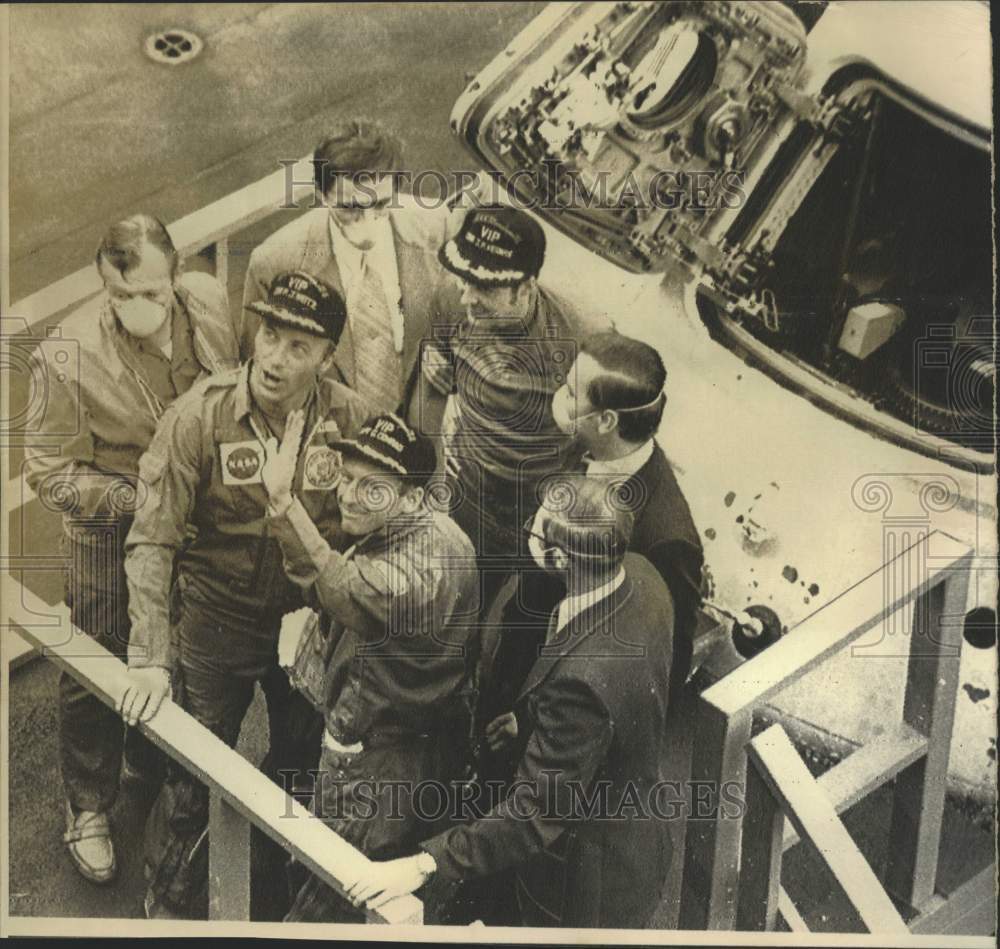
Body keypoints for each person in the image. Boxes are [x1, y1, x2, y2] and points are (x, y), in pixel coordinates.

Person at [118, 270, 367, 918]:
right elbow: (151, 537)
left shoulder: (351, 423)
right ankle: (169, 895)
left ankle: (276, 880)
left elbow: (374, 527)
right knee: (197, 765)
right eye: (270, 335)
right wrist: (148, 649)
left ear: (327, 358)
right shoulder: (199, 415)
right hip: (215, 616)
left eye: (299, 347)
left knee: (299, 758)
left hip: (305, 621)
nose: (275, 358)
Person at [342, 475, 677, 928]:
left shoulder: (582, 684)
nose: (526, 529)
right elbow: (620, 695)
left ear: (558, 559)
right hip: (639, 819)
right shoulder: (643, 576)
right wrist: (535, 716)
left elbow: (535, 811)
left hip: (583, 881)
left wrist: (421, 864)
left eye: (536, 528)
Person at [23, 213, 238, 886]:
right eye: (118, 296)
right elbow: (49, 470)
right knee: (100, 655)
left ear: (176, 277)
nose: (135, 308)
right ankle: (88, 802)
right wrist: (134, 501)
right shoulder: (65, 354)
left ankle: (148, 757)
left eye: (149, 292)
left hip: (195, 508)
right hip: (109, 520)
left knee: (174, 635)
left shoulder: (205, 298)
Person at [257, 410, 479, 922]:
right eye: (348, 478)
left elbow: (345, 587)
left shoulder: (413, 575)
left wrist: (282, 503)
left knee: (332, 891)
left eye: (371, 487)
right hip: (417, 744)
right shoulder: (443, 535)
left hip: (370, 763)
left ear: (413, 497)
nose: (349, 495)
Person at [423, 204, 601, 611]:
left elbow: (605, 443)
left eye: (484, 288)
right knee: (449, 601)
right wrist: (431, 487)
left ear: (524, 288)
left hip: (536, 512)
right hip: (466, 490)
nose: (467, 298)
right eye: (464, 280)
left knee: (523, 616)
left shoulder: (580, 338)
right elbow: (429, 394)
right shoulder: (453, 300)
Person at [242, 119, 449, 425]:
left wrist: (452, 351)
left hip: (423, 428)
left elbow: (459, 310)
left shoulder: (435, 224)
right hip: (330, 434)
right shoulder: (274, 262)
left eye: (380, 204)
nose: (367, 225)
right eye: (349, 208)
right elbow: (257, 368)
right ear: (322, 194)